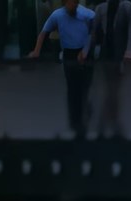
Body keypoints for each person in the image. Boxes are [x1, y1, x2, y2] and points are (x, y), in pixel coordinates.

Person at [28, 0, 95, 137]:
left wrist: (86, 51)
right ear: (65, 3)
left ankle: (84, 108)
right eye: (71, 2)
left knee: (84, 86)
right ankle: (75, 119)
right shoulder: (57, 15)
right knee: (72, 87)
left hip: (85, 52)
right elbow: (43, 33)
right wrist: (36, 51)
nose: (74, 5)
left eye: (75, 2)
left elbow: (93, 32)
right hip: (70, 53)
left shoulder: (87, 14)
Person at [83, 0, 131, 137]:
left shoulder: (127, 7)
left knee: (113, 91)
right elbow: (93, 33)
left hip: (119, 55)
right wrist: (85, 51)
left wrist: (130, 50)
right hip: (105, 54)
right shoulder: (100, 9)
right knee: (109, 91)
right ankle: (108, 123)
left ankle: (107, 123)